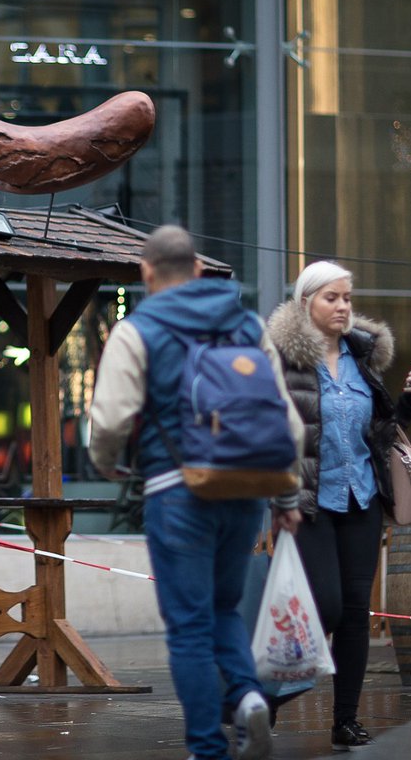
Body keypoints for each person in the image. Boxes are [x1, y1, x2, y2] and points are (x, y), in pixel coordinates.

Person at [88, 226, 303, 760]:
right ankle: (249, 696)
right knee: (226, 608)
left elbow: (111, 419)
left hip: (177, 491)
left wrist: (107, 464)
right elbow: (287, 423)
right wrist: (287, 500)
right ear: (201, 271)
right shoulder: (248, 325)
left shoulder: (137, 330)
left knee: (188, 626)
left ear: (147, 273)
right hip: (248, 489)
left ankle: (208, 748)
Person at [266, 260, 411, 751]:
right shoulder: (282, 361)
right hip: (308, 503)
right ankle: (264, 697)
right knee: (326, 605)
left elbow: (378, 437)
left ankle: (346, 720)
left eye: (347, 299)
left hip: (362, 499)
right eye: (331, 298)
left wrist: (409, 405)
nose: (342, 307)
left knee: (357, 612)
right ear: (305, 304)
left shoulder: (362, 359)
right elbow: (265, 430)